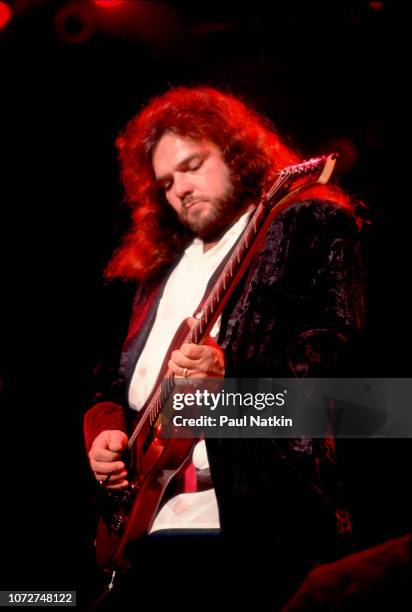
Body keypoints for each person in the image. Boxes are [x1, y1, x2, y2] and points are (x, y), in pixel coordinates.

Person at [83, 86, 366, 610]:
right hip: (150, 529)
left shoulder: (305, 225)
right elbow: (113, 384)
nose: (180, 190)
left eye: (193, 165)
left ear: (236, 153)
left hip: (258, 530)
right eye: (166, 183)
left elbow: (358, 401)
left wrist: (229, 380)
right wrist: (106, 432)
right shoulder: (156, 275)